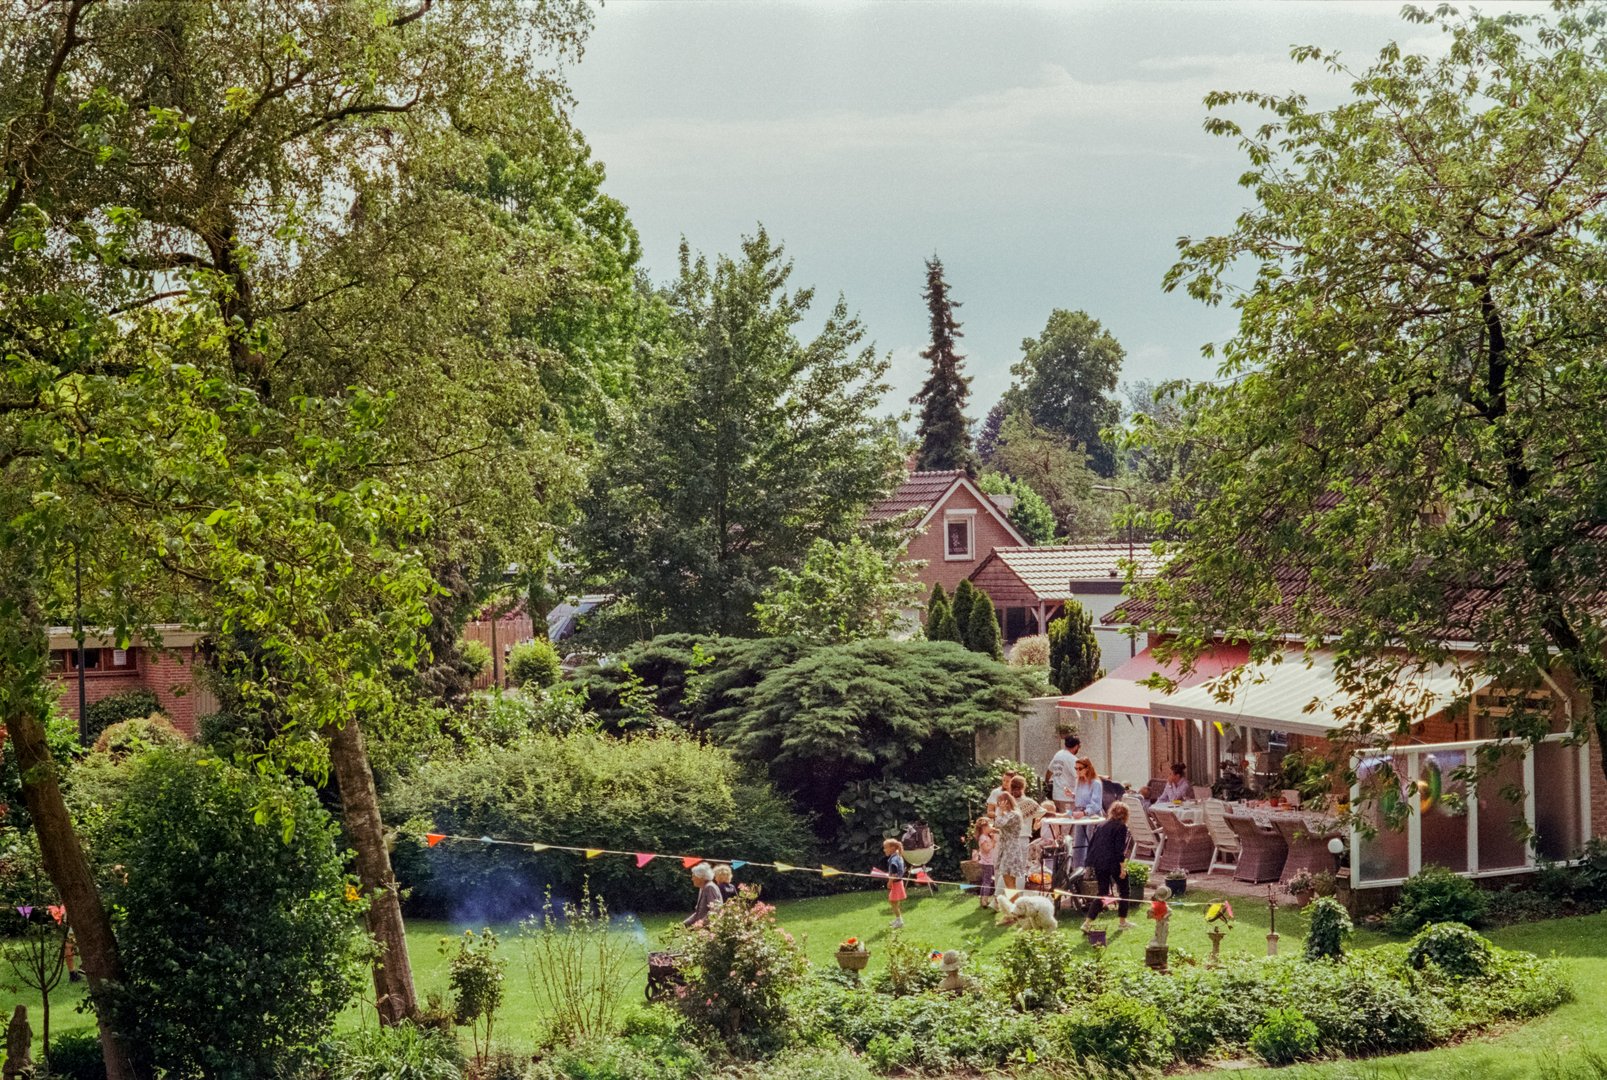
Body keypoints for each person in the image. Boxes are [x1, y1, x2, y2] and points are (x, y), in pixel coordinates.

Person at [1082, 801, 1135, 932]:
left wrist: (1089, 863)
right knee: (1124, 890)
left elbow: (1092, 845)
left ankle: (1087, 923)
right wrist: (1123, 868)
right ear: (1126, 815)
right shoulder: (1121, 827)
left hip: (1099, 862)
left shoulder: (1101, 825)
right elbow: (1119, 850)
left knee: (1102, 893)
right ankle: (1122, 922)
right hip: (1113, 862)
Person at [993, 792, 1029, 895]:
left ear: (1006, 802)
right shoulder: (1008, 814)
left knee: (1009, 883)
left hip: (1011, 850)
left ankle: (1014, 908)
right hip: (1007, 849)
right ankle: (1015, 908)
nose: (998, 805)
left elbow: (998, 823)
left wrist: (1000, 811)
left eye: (1000, 802)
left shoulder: (1014, 814)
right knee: (1010, 883)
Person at [683, 862, 723, 928]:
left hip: (711, 930)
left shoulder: (710, 887)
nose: (692, 879)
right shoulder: (703, 888)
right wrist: (683, 925)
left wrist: (700, 923)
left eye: (694, 876)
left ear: (701, 877)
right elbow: (698, 913)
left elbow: (714, 911)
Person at [1048, 735, 1081, 811]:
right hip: (1067, 798)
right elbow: (1080, 776)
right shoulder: (1072, 759)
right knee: (1068, 820)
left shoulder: (1058, 754)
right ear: (1076, 746)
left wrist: (1047, 784)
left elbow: (1049, 770)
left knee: (1060, 820)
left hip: (1056, 795)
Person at [882, 838, 908, 929]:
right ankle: (898, 919)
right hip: (898, 882)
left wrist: (889, 881)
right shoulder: (899, 856)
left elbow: (894, 873)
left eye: (886, 848)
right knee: (894, 902)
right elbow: (903, 869)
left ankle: (899, 921)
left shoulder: (893, 859)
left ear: (892, 848)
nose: (884, 850)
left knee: (893, 902)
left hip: (896, 883)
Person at [973, 816, 997, 909]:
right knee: (987, 881)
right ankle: (984, 900)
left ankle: (982, 899)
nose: (991, 828)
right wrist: (993, 843)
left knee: (985, 881)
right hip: (987, 862)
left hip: (988, 861)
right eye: (990, 826)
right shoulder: (983, 838)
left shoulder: (986, 836)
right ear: (984, 827)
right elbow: (986, 850)